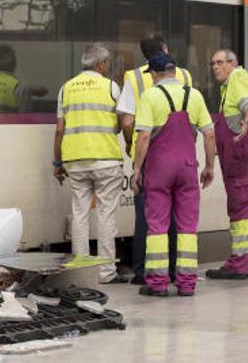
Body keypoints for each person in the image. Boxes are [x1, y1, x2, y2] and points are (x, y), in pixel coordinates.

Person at [131, 52, 216, 296]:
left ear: (155, 74)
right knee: (187, 226)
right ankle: (187, 283)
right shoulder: (195, 95)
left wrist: (137, 170)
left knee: (157, 225)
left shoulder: (151, 96)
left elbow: (144, 136)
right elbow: (209, 134)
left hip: (159, 170)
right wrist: (209, 166)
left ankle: (158, 284)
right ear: (175, 72)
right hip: (188, 168)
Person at [117, 34, 193, 285]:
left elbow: (128, 122)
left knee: (148, 215)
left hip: (151, 155)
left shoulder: (135, 78)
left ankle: (143, 270)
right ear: (166, 49)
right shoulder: (186, 76)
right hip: (183, 155)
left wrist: (132, 147)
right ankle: (174, 270)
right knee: (177, 215)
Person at [52, 43, 127, 284]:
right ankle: (106, 273)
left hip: (74, 161)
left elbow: (60, 130)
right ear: (102, 64)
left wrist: (57, 162)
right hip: (105, 159)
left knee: (80, 214)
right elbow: (122, 121)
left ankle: (80, 272)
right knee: (106, 215)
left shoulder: (66, 88)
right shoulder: (111, 87)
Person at [206, 49, 248, 279]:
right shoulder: (227, 87)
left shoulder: (238, 77)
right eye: (212, 63)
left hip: (241, 155)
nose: (215, 67)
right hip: (238, 156)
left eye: (220, 62)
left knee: (241, 207)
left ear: (232, 63)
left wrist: (246, 123)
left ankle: (239, 263)